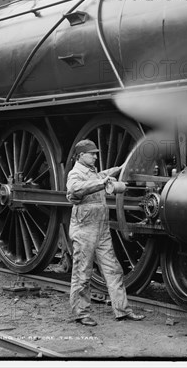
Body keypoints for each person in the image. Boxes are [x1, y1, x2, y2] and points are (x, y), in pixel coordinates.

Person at [66, 139, 145, 326]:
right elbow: (74, 188)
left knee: (113, 270)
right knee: (82, 273)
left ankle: (122, 310)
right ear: (80, 156)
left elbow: (104, 174)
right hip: (84, 230)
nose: (95, 156)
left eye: (95, 153)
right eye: (91, 153)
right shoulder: (75, 173)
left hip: (101, 229)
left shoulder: (93, 172)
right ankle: (81, 314)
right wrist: (101, 183)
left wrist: (121, 167)